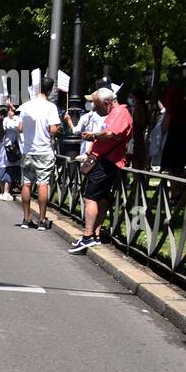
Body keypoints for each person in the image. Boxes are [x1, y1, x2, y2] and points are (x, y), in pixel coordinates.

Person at [70, 87, 132, 252]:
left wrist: (94, 136)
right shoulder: (114, 113)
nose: (94, 108)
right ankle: (95, 235)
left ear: (106, 103)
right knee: (102, 198)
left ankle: (88, 237)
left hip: (107, 162)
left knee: (90, 198)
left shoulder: (120, 113)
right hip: (105, 160)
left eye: (96, 104)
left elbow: (111, 134)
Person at [18, 76, 61, 230]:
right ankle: (42, 220)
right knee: (43, 183)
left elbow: (20, 128)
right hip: (44, 150)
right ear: (50, 90)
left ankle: (26, 218)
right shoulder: (50, 107)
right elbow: (53, 130)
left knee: (27, 183)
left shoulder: (26, 106)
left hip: (28, 150)